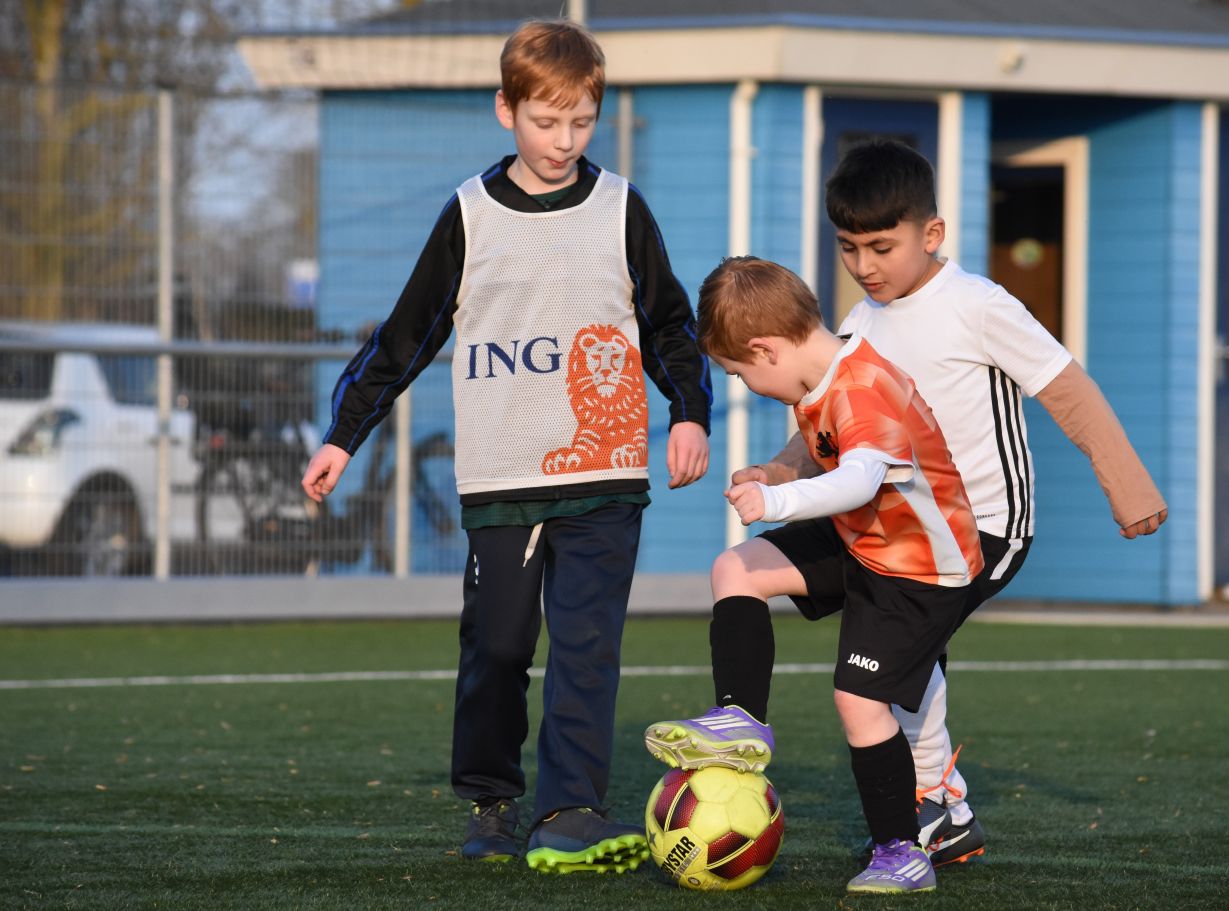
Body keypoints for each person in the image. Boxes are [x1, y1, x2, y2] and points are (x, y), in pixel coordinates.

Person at [300, 19, 711, 874]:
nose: (564, 142)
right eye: (545, 122)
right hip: (501, 482)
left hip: (606, 479)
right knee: (498, 648)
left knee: (586, 648)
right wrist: (344, 436)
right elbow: (403, 337)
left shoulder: (622, 208)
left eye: (582, 122)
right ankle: (493, 797)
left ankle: (570, 809)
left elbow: (670, 323)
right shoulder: (469, 215)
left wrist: (689, 412)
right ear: (505, 110)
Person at [732, 138, 1169, 867]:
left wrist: (1128, 487)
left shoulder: (978, 305)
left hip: (986, 531)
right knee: (850, 631)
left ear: (931, 235)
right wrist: (780, 469)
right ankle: (941, 805)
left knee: (884, 664)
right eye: (848, 247)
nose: (865, 266)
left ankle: (934, 796)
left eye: (881, 245)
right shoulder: (863, 322)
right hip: (892, 527)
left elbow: (1069, 389)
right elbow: (835, 427)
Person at [646, 256, 984, 895]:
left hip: (920, 569)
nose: (744, 385)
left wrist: (773, 505)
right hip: (866, 539)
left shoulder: (862, 385)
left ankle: (901, 853)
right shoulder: (823, 375)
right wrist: (775, 474)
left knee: (859, 703)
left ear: (765, 349)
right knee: (736, 568)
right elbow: (825, 461)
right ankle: (741, 718)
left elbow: (859, 476)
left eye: (738, 373)